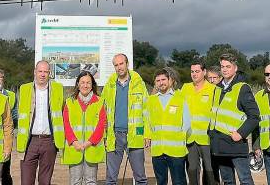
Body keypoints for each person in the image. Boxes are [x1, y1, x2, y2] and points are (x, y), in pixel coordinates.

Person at [209, 54, 259, 185]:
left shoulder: (242, 88)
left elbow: (254, 116)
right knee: (228, 181)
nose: (224, 69)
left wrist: (240, 134)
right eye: (222, 67)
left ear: (235, 68)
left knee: (245, 180)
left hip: (235, 144)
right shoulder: (217, 88)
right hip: (220, 144)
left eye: (228, 66)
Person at [102, 53, 149, 185]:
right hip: (114, 136)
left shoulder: (139, 84)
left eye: (121, 64)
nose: (119, 67)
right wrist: (104, 135)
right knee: (111, 178)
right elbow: (103, 111)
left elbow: (146, 110)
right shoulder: (109, 85)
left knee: (140, 177)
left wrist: (147, 134)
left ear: (127, 64)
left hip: (135, 134)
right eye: (116, 65)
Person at [17, 60, 65, 185]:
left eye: (46, 71)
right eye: (40, 71)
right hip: (29, 141)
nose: (43, 74)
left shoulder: (58, 89)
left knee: (45, 181)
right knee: (26, 181)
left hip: (49, 142)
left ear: (49, 73)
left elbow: (62, 113)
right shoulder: (24, 89)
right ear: (35, 72)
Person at [146, 68, 190, 185]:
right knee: (160, 181)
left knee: (179, 181)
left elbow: (187, 123)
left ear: (170, 80)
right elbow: (147, 121)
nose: (161, 82)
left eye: (163, 79)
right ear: (155, 83)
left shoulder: (180, 98)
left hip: (176, 150)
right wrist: (147, 136)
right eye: (158, 80)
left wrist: (180, 139)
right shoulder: (151, 100)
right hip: (158, 150)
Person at [62, 70, 107, 185]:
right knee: (75, 181)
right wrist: (74, 142)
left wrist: (89, 142)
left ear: (92, 85)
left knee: (91, 181)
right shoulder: (69, 102)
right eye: (82, 82)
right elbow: (66, 124)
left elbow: (101, 125)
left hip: (92, 148)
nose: (85, 85)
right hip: (74, 148)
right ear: (78, 84)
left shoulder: (100, 102)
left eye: (88, 82)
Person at [181, 62, 218, 185]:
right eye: (192, 71)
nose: (194, 74)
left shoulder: (213, 89)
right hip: (190, 138)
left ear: (204, 72)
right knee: (192, 170)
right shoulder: (185, 88)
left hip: (207, 139)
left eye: (197, 71)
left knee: (210, 171)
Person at [0, 67, 18, 185]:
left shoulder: (11, 95)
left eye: (1, 77)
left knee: (4, 172)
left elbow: (15, 116)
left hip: (5, 140)